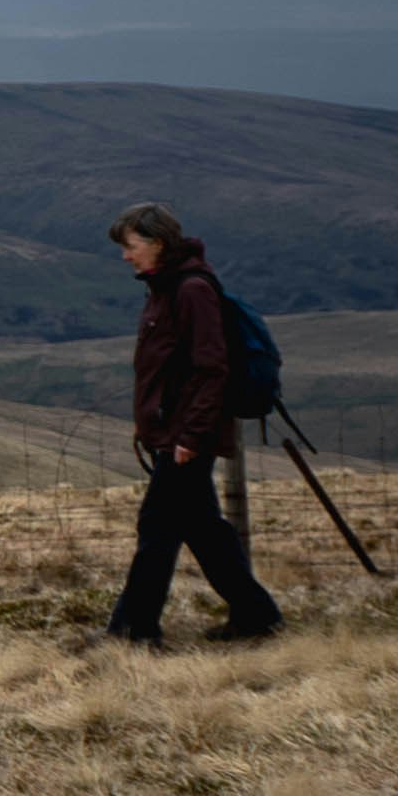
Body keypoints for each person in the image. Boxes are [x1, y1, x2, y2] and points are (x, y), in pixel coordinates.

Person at [103, 202, 279, 648]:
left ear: (157, 244)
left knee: (157, 530)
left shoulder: (191, 291)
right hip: (173, 433)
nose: (126, 256)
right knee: (204, 528)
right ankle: (257, 615)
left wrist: (191, 435)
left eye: (131, 246)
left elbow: (210, 369)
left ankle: (133, 632)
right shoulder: (165, 288)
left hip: (186, 436)